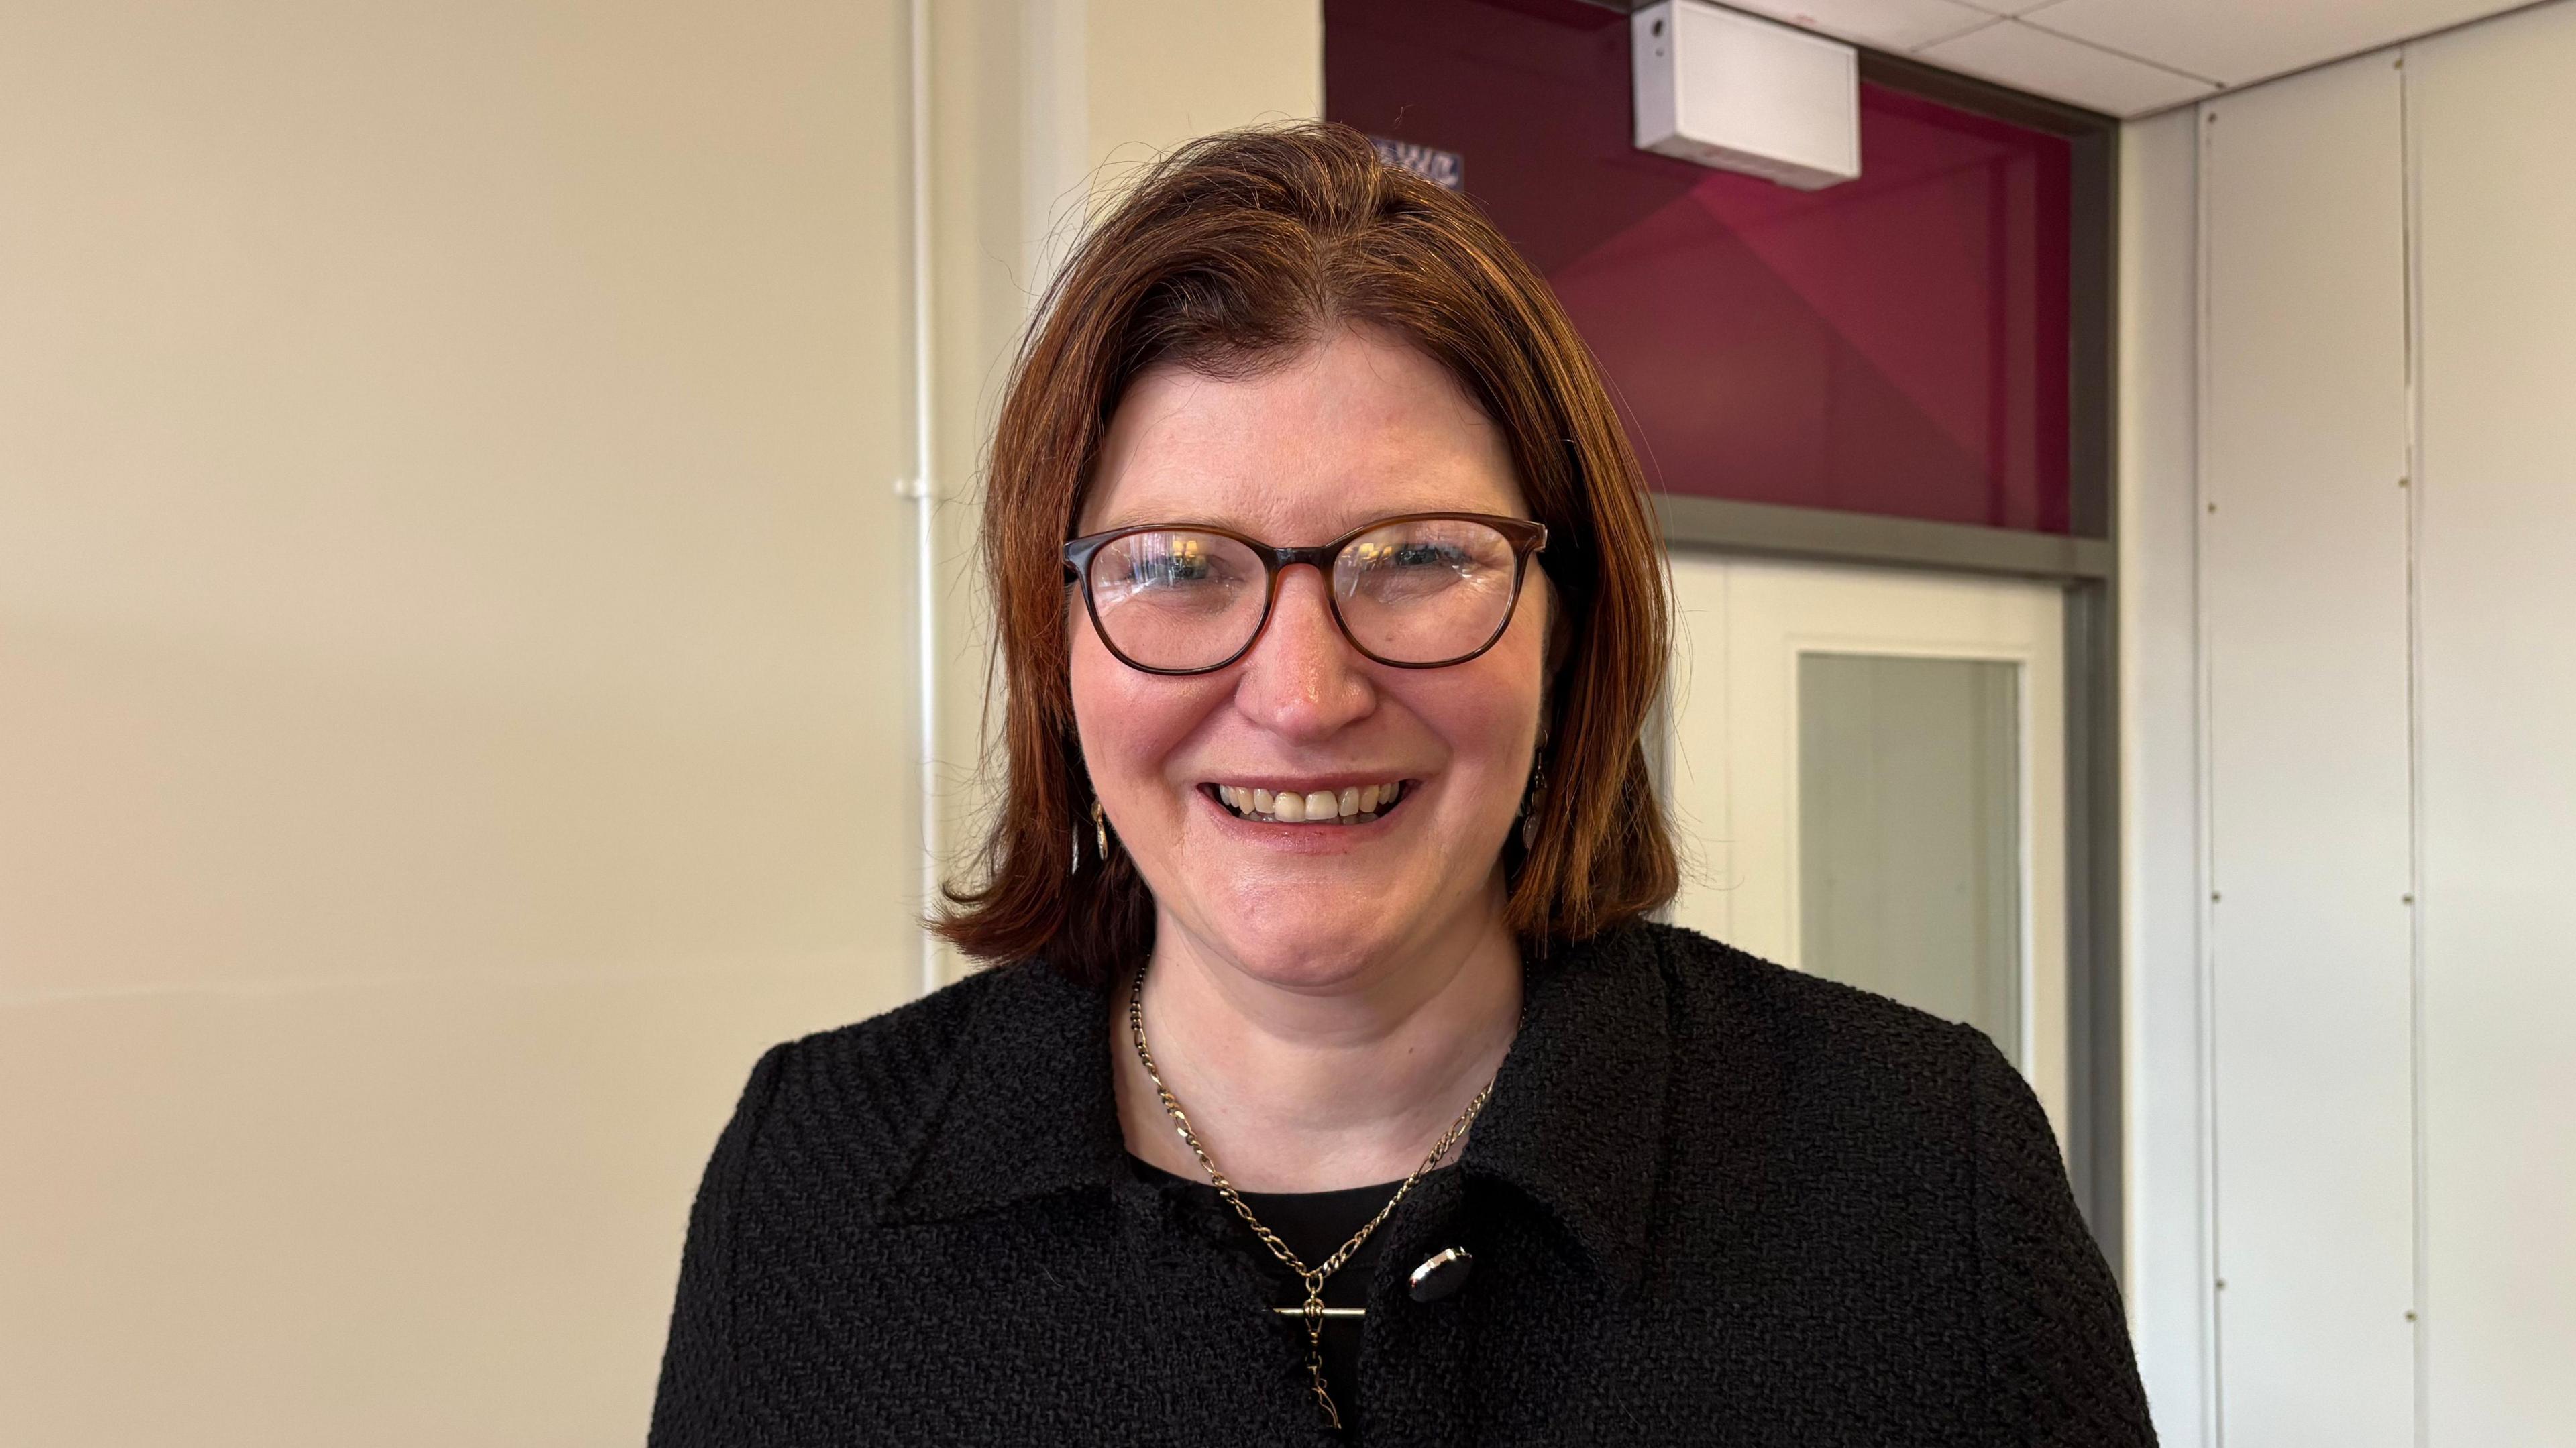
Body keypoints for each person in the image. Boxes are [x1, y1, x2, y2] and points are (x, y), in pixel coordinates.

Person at [647, 122, 2155, 1446]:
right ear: (1059, 650)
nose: (1302, 695)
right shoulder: (814, 1170)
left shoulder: (1919, 1172)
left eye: (1421, 557)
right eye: (1175, 567)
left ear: (1569, 631)